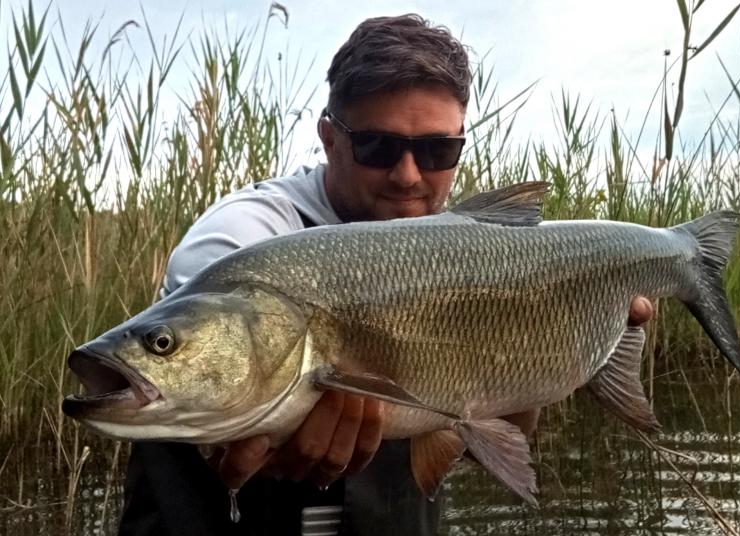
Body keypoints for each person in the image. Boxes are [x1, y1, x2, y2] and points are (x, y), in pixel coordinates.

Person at [118, 13, 653, 536]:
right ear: (330, 138)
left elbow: (501, 429)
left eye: (438, 151)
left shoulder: (474, 255)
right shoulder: (243, 237)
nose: (408, 176)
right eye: (378, 147)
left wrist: (566, 347)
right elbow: (206, 354)